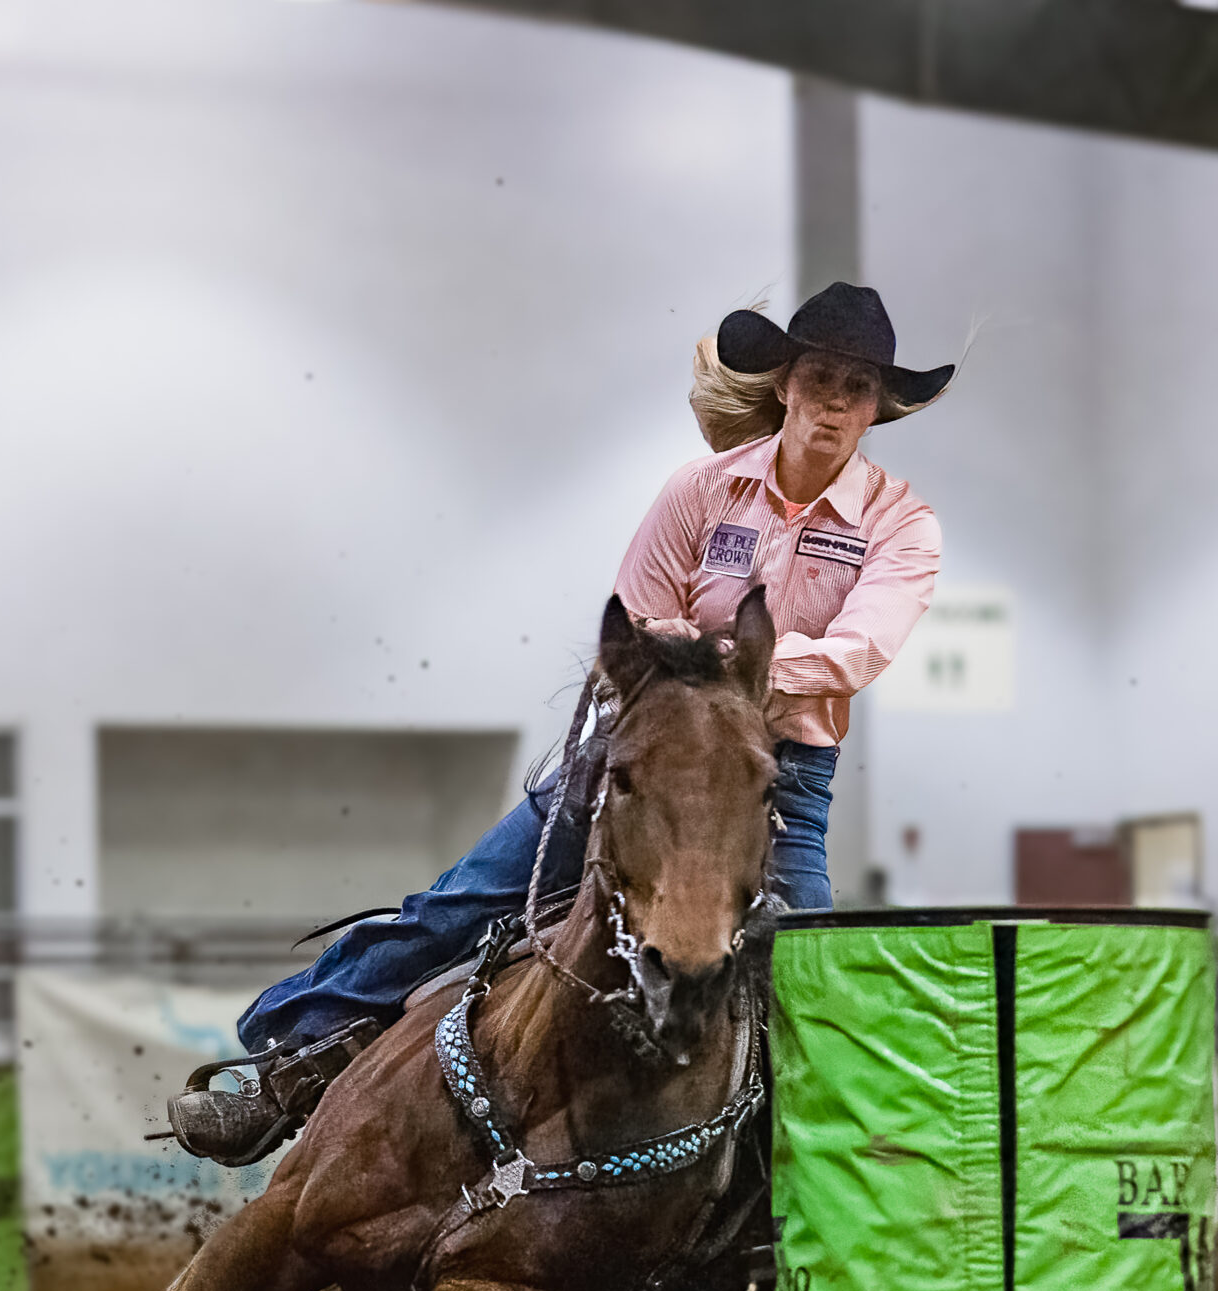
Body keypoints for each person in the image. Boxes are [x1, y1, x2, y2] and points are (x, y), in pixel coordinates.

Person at [168, 283, 958, 1165]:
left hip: (776, 779)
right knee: (461, 902)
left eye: (858, 385)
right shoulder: (700, 490)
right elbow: (636, 610)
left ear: (877, 407)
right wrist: (724, 671)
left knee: (815, 980)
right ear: (786, 385)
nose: (836, 400)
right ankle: (280, 1066)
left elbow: (857, 651)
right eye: (821, 376)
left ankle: (813, 1209)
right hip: (642, 757)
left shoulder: (902, 525)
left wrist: (707, 670)